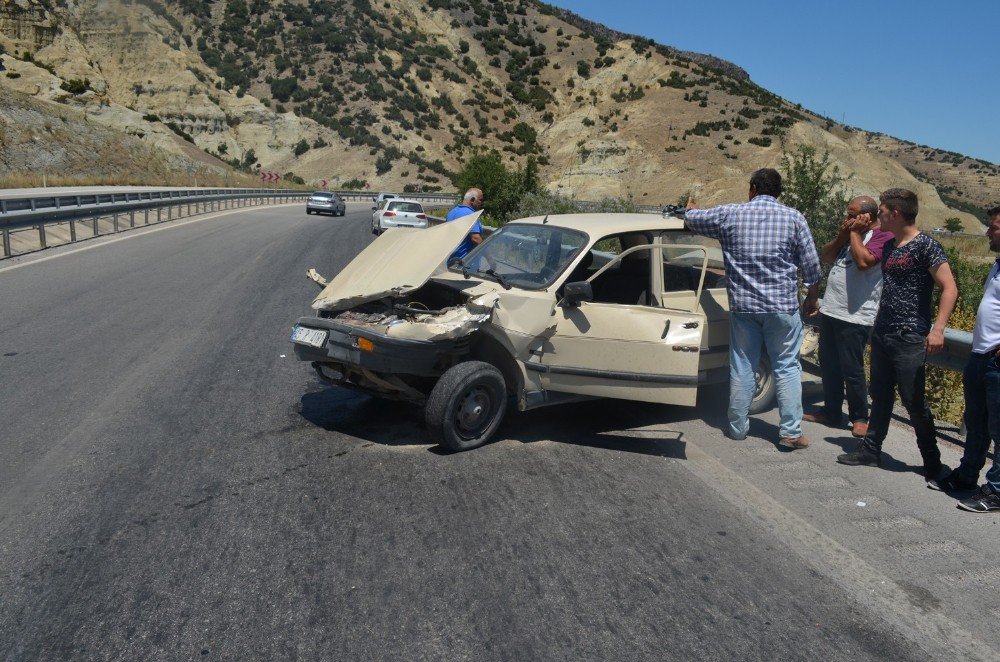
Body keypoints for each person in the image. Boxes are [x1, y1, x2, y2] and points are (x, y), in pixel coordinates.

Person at [685, 168, 822, 449]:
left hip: (744, 307)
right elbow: (811, 267)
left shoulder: (730, 214)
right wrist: (812, 298)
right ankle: (791, 433)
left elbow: (692, 220)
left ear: (753, 189)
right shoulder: (794, 218)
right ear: (777, 192)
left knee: (743, 365)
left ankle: (737, 428)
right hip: (782, 307)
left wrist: (690, 209)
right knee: (786, 367)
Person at [837, 189, 958, 482]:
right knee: (879, 396)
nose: (878, 215)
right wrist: (856, 223)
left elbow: (950, 287)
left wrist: (938, 329)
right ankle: (871, 450)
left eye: (882, 210)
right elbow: (865, 234)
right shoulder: (890, 244)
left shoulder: (926, 246)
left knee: (913, 401)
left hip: (909, 336)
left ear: (896, 213)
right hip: (883, 332)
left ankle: (932, 462)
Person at [929, 206, 1000, 512]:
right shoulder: (998, 265)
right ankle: (967, 476)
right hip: (981, 355)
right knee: (976, 423)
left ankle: (997, 490)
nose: (988, 232)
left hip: (996, 360)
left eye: (994, 227)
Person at [804, 197, 893, 438]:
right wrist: (844, 235)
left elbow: (864, 262)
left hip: (856, 315)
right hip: (832, 309)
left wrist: (854, 233)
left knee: (852, 368)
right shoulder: (850, 234)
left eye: (852, 214)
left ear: (868, 216)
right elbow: (827, 256)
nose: (847, 217)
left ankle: (859, 417)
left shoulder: (883, 237)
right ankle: (831, 412)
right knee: (829, 364)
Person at [446, 188, 485, 262]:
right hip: (465, 263)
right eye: (481, 200)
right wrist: (490, 258)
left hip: (450, 260)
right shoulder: (471, 215)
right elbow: (475, 238)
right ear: (472, 200)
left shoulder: (452, 212)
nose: (482, 203)